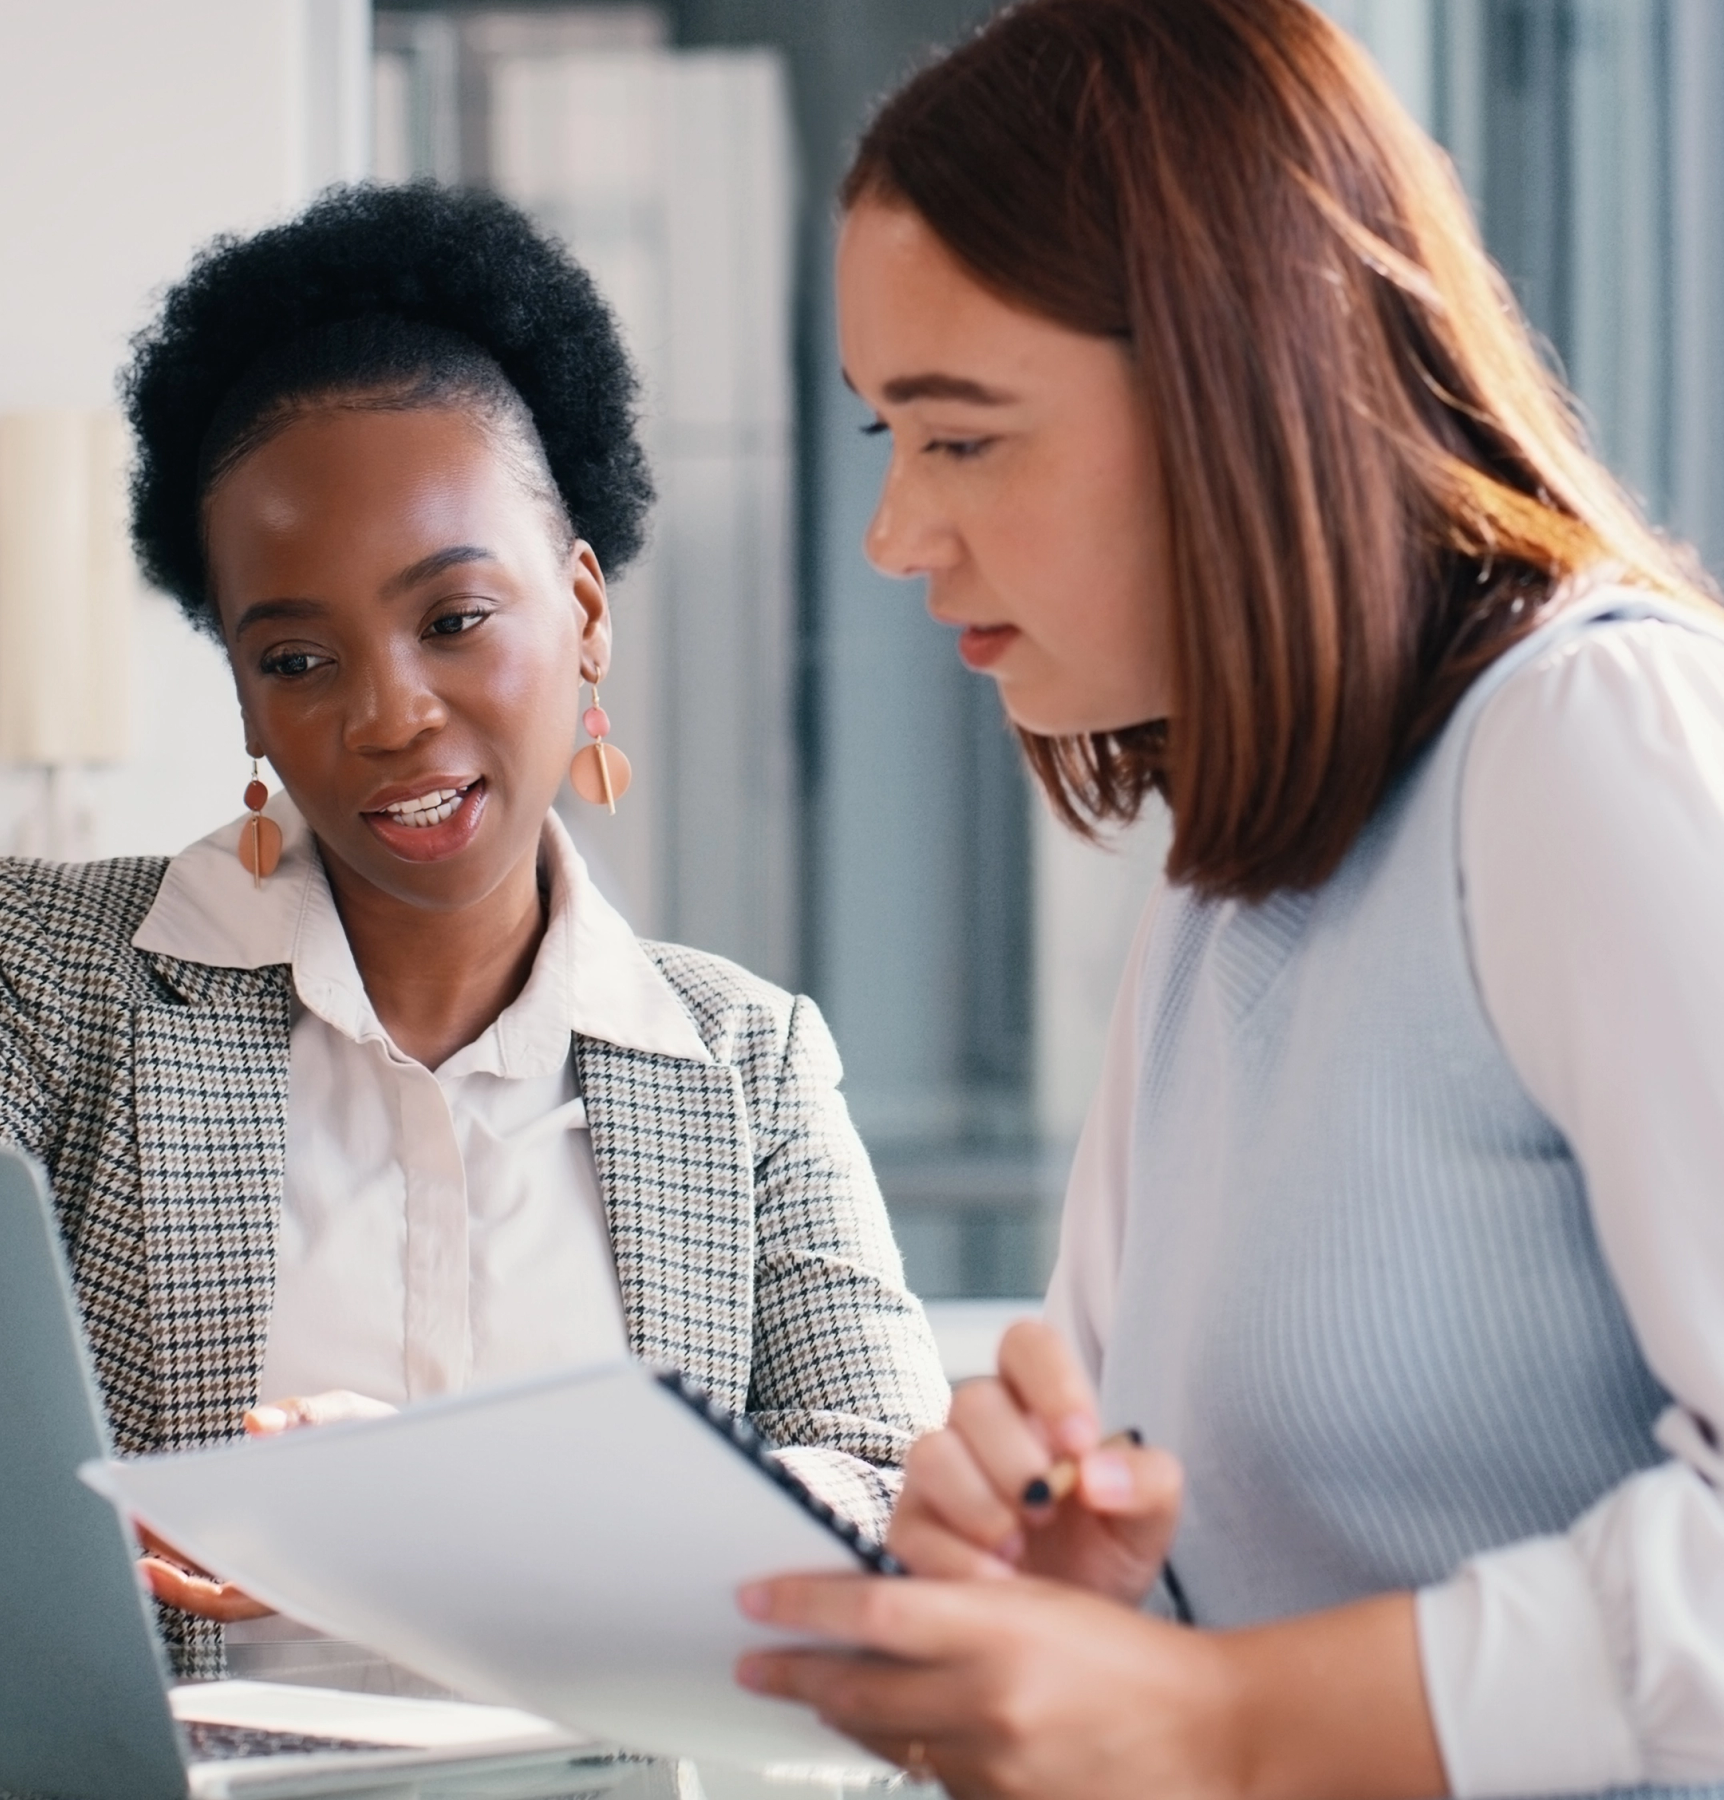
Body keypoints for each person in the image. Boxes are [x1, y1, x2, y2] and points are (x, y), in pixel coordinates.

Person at [732, 2, 1724, 1797]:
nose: (893, 534)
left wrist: (1225, 1721)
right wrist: (1094, 1602)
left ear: (1235, 379)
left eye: (960, 438)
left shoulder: (1585, 745)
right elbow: (1215, 1579)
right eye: (887, 433)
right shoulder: (1230, 882)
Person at [0, 183, 948, 1676]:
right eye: (297, 654)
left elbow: (892, 1501)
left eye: (455, 619)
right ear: (244, 693)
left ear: (583, 612)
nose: (387, 714)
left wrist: (467, 1502)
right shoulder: (42, 972)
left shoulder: (749, 1065)